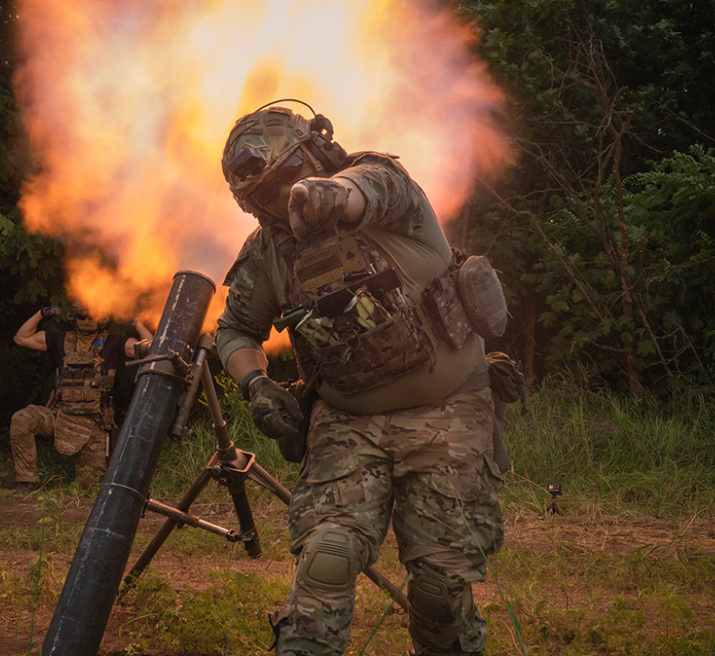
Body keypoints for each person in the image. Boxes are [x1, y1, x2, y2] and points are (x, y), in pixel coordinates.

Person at [215, 101, 507, 656]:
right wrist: (258, 385)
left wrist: (330, 195)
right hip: (347, 422)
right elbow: (233, 330)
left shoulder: (386, 194)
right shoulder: (268, 254)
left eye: (290, 176)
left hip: (448, 408)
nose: (282, 197)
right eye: (262, 195)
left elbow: (372, 184)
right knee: (326, 558)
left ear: (318, 154)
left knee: (441, 587)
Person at [9, 304, 152, 490]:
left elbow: (152, 349)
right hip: (61, 417)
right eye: (82, 316)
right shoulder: (61, 339)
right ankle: (27, 481)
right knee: (22, 419)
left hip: (95, 425)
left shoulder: (113, 342)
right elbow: (21, 338)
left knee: (90, 489)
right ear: (74, 318)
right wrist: (41, 313)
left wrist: (135, 321)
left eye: (92, 316)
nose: (87, 320)